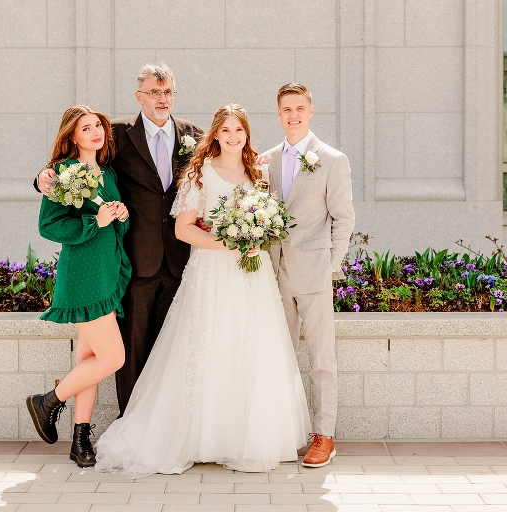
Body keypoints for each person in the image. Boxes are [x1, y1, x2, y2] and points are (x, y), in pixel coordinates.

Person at [93, 104, 310, 478]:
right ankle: (198, 438)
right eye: (225, 131)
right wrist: (230, 244)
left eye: (238, 130)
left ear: (247, 134)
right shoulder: (200, 173)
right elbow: (183, 230)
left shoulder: (258, 173)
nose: (232, 137)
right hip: (212, 273)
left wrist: (257, 238)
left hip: (252, 276)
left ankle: (240, 438)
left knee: (248, 348)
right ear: (215, 135)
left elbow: (267, 219)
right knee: (208, 347)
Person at [35, 63, 203, 416]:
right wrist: (41, 177)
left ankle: (162, 424)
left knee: (172, 351)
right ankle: (130, 424)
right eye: (154, 92)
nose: (162, 98)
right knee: (128, 354)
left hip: (180, 258)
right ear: (139, 96)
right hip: (132, 260)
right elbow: (71, 164)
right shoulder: (116, 134)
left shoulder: (194, 135)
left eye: (168, 91)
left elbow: (227, 160)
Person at [26, 105, 131, 468]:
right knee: (113, 358)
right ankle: (48, 401)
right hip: (84, 273)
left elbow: (114, 222)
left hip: (107, 269)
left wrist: (120, 215)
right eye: (85, 128)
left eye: (98, 125)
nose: (95, 132)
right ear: (72, 135)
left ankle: (80, 439)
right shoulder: (61, 172)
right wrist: (93, 222)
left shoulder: (108, 172)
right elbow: (49, 225)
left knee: (90, 359)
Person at [260, 83, 355, 468]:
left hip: (314, 272)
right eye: (287, 109)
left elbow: (343, 218)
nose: (293, 115)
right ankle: (283, 433)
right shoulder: (266, 160)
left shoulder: (332, 159)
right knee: (279, 355)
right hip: (274, 272)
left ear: (311, 111)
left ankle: (324, 435)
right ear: (279, 113)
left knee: (320, 358)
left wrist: (331, 264)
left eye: (299, 108)